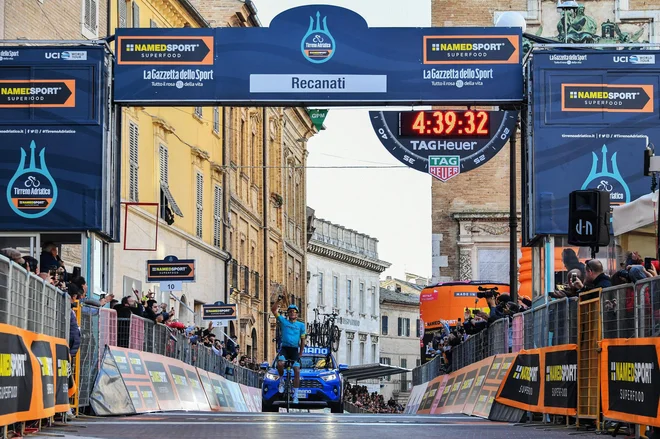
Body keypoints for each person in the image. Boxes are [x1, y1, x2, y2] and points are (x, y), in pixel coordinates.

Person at [270, 295, 306, 404]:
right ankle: (281, 380)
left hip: (294, 350)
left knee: (297, 370)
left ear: (297, 314)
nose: (292, 313)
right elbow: (273, 310)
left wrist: (301, 352)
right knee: (280, 364)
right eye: (290, 312)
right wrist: (279, 300)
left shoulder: (301, 325)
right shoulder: (284, 321)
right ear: (288, 313)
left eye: (294, 312)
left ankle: (295, 394)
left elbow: (303, 340)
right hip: (285, 348)